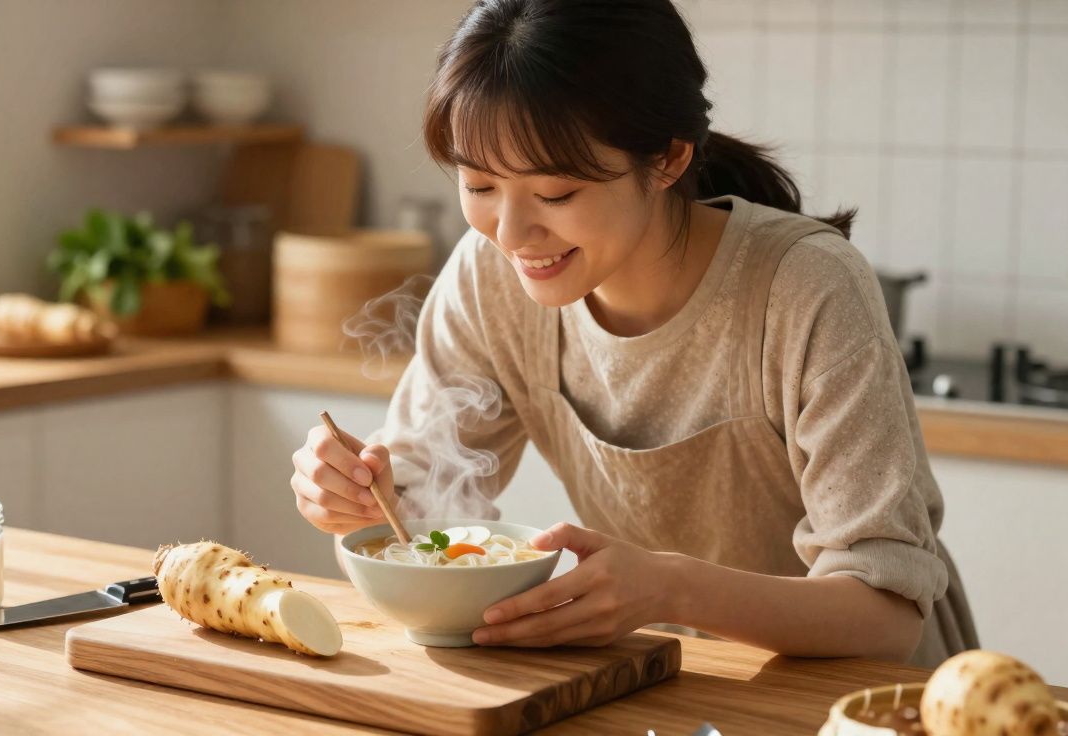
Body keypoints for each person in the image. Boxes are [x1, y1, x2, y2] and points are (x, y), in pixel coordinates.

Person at [289, 0, 976, 665]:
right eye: (478, 185)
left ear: (669, 158)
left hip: (869, 700)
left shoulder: (807, 286)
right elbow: (413, 521)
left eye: (556, 194)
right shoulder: (490, 275)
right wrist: (353, 500)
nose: (511, 232)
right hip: (672, 682)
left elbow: (885, 616)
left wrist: (671, 587)